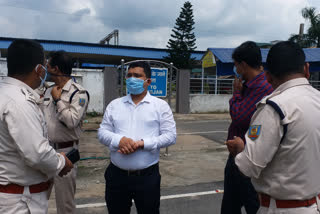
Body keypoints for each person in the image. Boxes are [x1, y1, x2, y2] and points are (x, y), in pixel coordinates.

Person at [227, 41, 320, 214]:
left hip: (282, 207)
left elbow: (248, 167)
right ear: (306, 69)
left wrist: (241, 150)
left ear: (268, 77)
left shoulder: (275, 108)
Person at [0, 39, 73, 213]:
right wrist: (62, 162)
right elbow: (37, 154)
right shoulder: (20, 102)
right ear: (39, 69)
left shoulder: (5, 93)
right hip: (19, 201)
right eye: (45, 68)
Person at [98, 61, 176, 214]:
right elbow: (102, 132)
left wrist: (143, 143)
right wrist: (119, 141)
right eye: (129, 75)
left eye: (137, 75)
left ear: (148, 81)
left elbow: (171, 136)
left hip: (147, 177)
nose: (132, 78)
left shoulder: (160, 106)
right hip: (117, 176)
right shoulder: (115, 105)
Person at [221, 41, 273, 214]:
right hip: (235, 157)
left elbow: (240, 117)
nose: (235, 70)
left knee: (253, 206)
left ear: (243, 65)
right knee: (229, 206)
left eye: (236, 65)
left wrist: (236, 94)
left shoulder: (262, 87)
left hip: (249, 157)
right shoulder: (248, 85)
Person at [39, 50, 89, 214]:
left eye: (48, 66)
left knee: (65, 204)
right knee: (38, 198)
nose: (45, 69)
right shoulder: (47, 90)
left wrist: (58, 100)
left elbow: (72, 121)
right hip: (45, 151)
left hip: (65, 152)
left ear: (57, 69)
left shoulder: (78, 93)